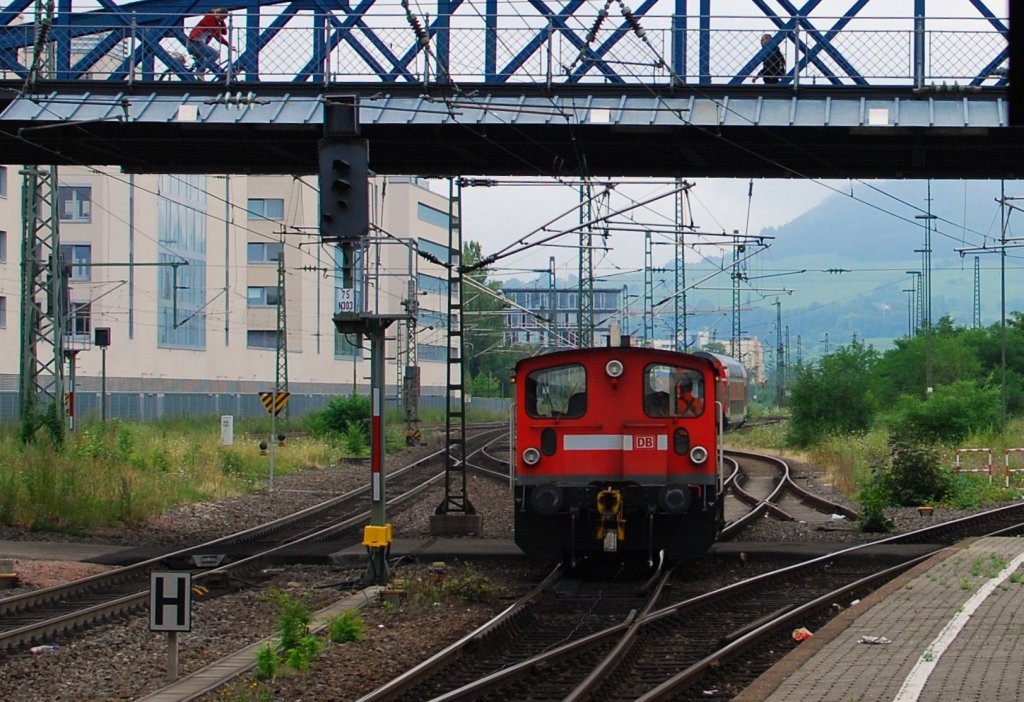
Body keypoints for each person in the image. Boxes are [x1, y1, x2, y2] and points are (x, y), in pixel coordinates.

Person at [187, 8, 230, 80]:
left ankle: (199, 79)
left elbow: (224, 32)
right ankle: (200, 72)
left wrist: (221, 21)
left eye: (223, 18)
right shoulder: (209, 18)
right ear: (217, 14)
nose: (221, 19)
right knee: (215, 54)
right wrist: (228, 44)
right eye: (221, 17)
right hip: (195, 43)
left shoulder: (215, 22)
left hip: (195, 44)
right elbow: (217, 34)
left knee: (202, 62)